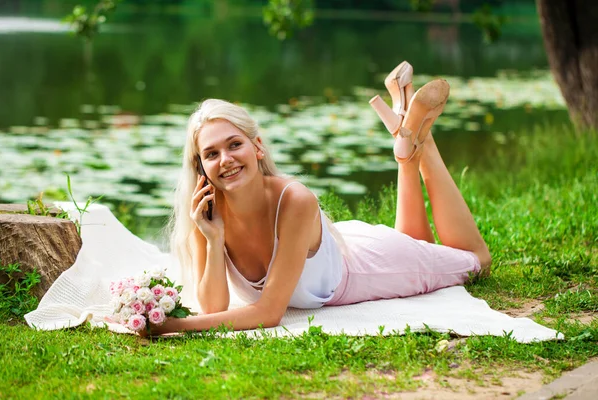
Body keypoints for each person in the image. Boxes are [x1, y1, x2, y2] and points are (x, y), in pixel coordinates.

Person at [149, 62, 492, 336]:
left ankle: (422, 142)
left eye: (234, 144)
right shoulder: (207, 215)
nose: (225, 159)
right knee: (417, 241)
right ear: (201, 166)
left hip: (371, 268)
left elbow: (269, 313)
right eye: (211, 153)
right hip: (346, 246)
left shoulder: (295, 199)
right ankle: (406, 147)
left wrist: (174, 326)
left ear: (257, 147)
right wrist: (213, 238)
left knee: (476, 260)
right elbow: (214, 309)